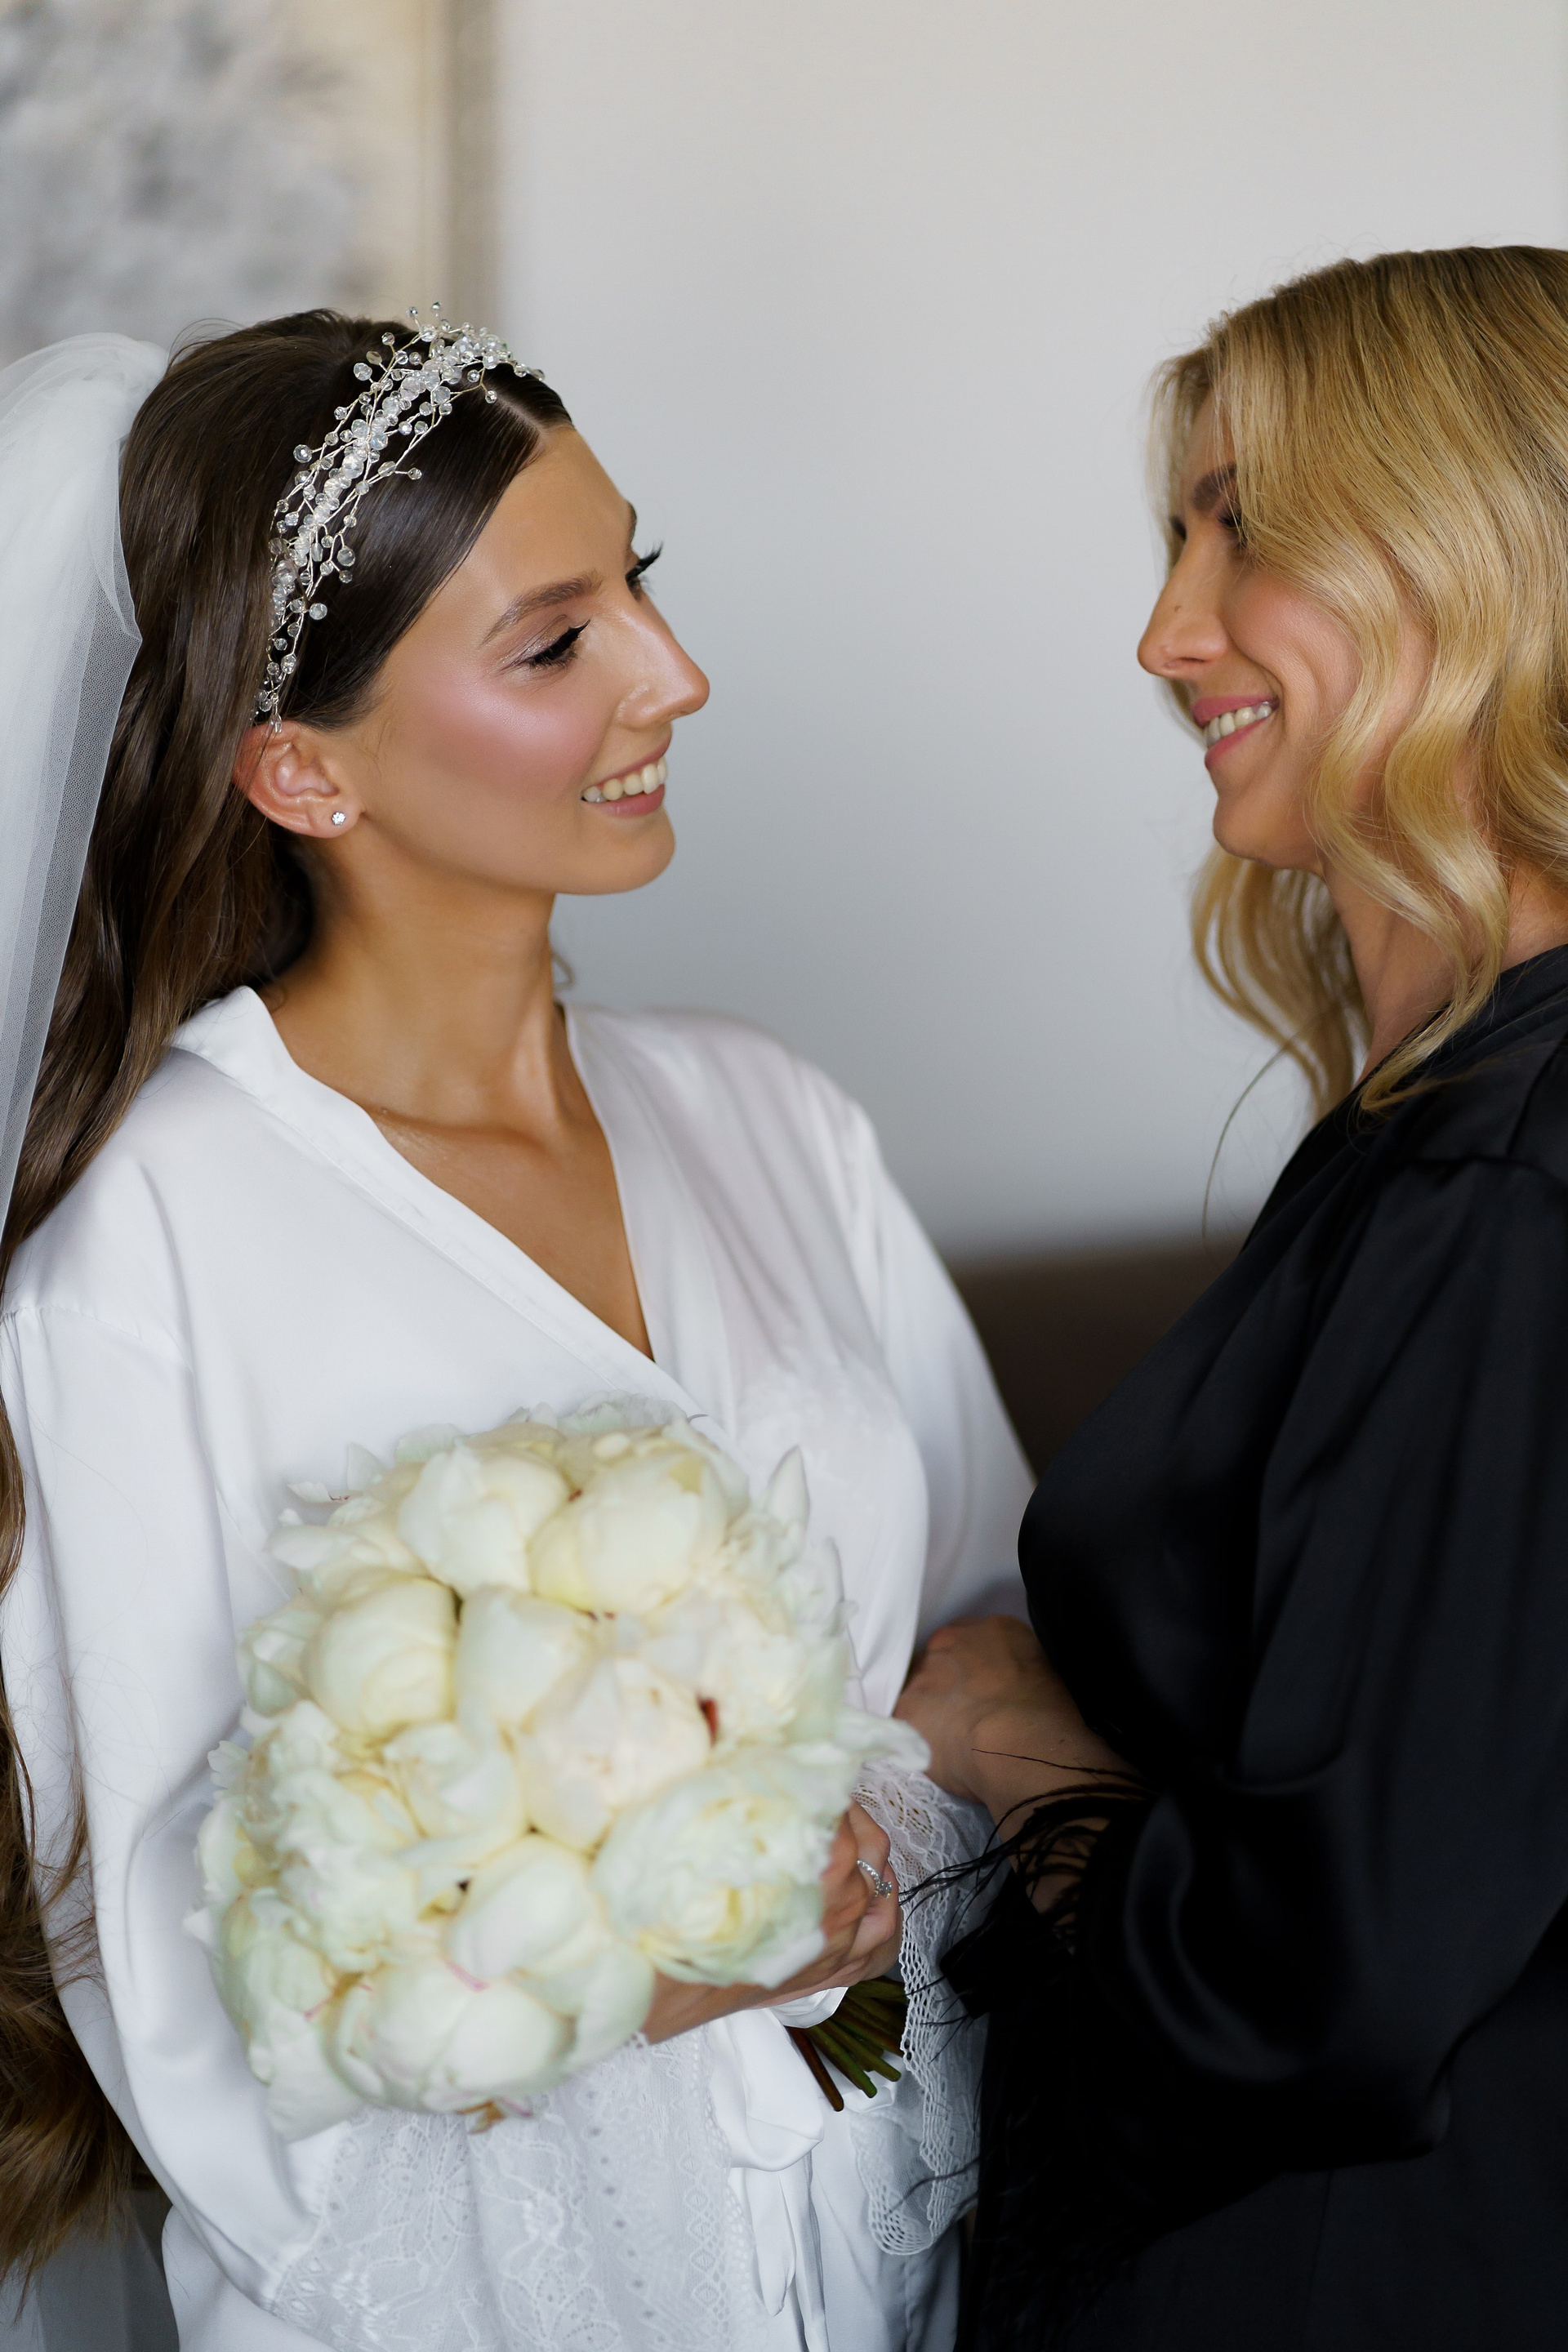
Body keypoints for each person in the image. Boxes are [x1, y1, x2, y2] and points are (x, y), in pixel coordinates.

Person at [0, 313, 1031, 2351]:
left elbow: (989, 1642)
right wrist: (632, 1965)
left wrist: (864, 1857)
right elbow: (157, 1952)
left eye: (641, 581)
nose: (676, 672)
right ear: (302, 769)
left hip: (888, 2239)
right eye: (557, 644)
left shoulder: (773, 1118)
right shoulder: (148, 1243)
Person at [897, 244, 1568, 2351]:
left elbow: (1317, 1990)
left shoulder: (1509, 1181)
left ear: (1483, 563)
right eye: (1176, 539)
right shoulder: (1438, 1121)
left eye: (1245, 533)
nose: (1165, 632)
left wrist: (1022, 1744)